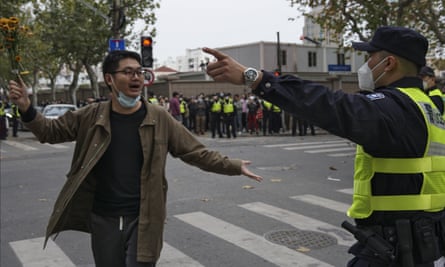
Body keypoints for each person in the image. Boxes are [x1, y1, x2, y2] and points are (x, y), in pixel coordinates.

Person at [203, 26, 445, 267]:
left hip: (392, 251)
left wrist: (257, 78)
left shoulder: (394, 109)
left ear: (389, 63)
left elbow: (330, 104)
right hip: (417, 244)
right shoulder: (428, 107)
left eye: (370, 58)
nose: (367, 65)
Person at [8, 50, 262, 267]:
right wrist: (26, 108)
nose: (136, 77)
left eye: (139, 71)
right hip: (103, 217)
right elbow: (49, 132)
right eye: (128, 72)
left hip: (143, 218)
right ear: (109, 79)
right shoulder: (90, 116)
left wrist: (234, 165)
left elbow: (195, 152)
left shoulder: (158, 117)